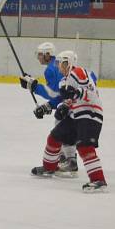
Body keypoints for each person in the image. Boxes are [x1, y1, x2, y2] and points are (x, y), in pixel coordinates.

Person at [30, 51, 107, 192]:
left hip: (90, 112)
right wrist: (63, 107)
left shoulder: (79, 72)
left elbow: (89, 91)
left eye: (61, 63)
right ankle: (49, 168)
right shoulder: (63, 81)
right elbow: (67, 100)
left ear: (68, 62)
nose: (58, 66)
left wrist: (76, 93)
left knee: (84, 146)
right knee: (54, 137)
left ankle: (98, 180)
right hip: (75, 115)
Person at [20, 42, 78, 173]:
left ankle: (69, 160)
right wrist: (48, 105)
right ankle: (65, 158)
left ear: (48, 54)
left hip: (68, 105)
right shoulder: (55, 65)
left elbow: (53, 93)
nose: (38, 57)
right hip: (68, 103)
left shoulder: (50, 69)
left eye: (40, 54)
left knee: (60, 131)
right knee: (62, 129)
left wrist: (34, 86)